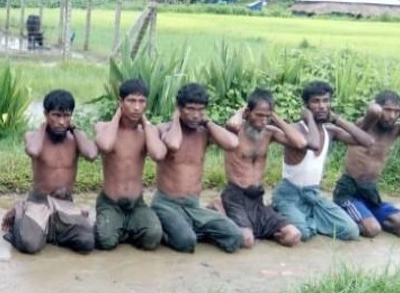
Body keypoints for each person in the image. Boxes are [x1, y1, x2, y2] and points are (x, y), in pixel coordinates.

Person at [271, 80, 373, 241]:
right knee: (302, 234)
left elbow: (367, 142)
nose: (322, 106)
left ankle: (304, 219)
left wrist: (336, 119)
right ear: (306, 105)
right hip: (289, 194)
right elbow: (313, 143)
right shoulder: (296, 130)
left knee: (351, 231)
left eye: (326, 101)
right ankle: (279, 214)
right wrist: (310, 119)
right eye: (316, 101)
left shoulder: (330, 131)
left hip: (313, 194)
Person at [151, 82, 244, 253]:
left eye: (200, 110)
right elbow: (173, 144)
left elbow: (232, 143)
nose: (195, 115)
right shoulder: (163, 129)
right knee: (186, 242)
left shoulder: (204, 132)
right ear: (179, 108)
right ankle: (166, 228)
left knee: (235, 237)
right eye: (190, 109)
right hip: (166, 205)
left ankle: (192, 228)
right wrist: (175, 119)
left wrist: (207, 121)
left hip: (193, 206)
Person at [3, 89, 98, 254]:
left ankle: (50, 230)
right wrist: (43, 127)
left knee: (87, 242)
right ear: (46, 114)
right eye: (56, 115)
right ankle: (20, 213)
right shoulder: (33, 136)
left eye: (66, 116)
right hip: (39, 202)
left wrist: (75, 130)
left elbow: (91, 154)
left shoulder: (75, 139)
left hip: (65, 203)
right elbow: (33, 151)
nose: (62, 122)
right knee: (29, 245)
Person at [333, 90, 400, 237]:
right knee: (372, 229)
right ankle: (340, 213)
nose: (391, 116)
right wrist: (379, 108)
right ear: (379, 109)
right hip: (349, 190)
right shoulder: (364, 125)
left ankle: (365, 216)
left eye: (395, 112)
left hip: (370, 191)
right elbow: (373, 111)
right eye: (387, 110)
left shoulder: (396, 130)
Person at [221, 88, 308, 248]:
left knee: (293, 235)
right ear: (248, 112)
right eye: (259, 115)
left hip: (258, 199)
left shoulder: (270, 133)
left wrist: (275, 117)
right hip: (236, 197)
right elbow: (231, 124)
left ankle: (254, 228)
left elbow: (301, 143)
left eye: (267, 116)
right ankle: (219, 208)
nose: (263, 120)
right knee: (247, 241)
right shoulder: (234, 131)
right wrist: (240, 112)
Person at [93, 78, 166, 250]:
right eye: (131, 101)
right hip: (110, 203)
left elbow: (158, 155)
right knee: (105, 241)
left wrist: (146, 123)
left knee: (153, 237)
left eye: (142, 102)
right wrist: (117, 116)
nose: (137, 107)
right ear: (121, 102)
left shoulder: (148, 132)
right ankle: (116, 227)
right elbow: (105, 145)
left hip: (136, 204)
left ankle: (126, 228)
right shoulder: (103, 127)